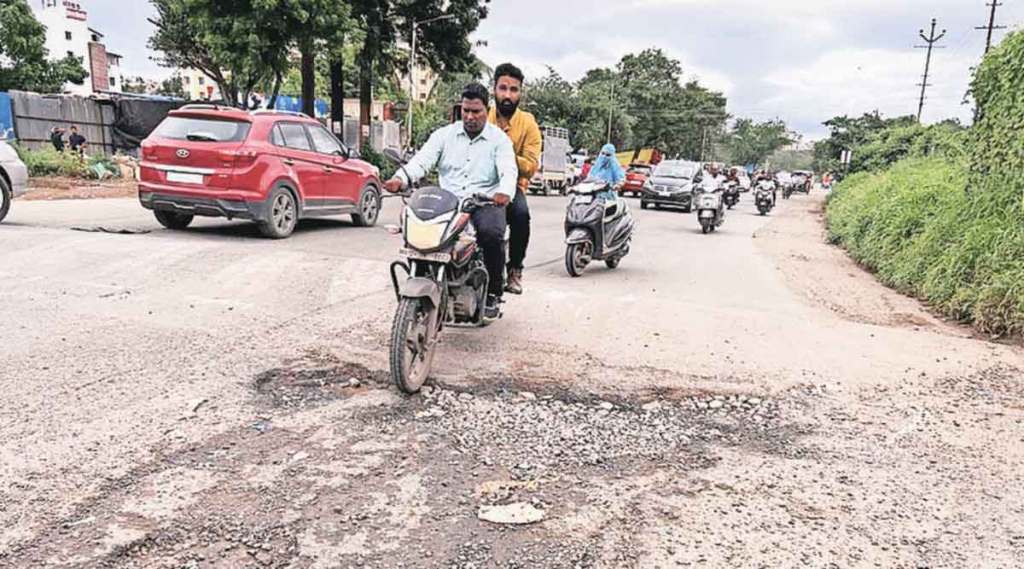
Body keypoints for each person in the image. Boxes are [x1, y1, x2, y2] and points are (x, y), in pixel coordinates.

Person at [383, 83, 516, 320]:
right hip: (449, 202)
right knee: (419, 236)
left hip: (482, 202)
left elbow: (508, 170)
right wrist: (400, 178)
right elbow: (422, 161)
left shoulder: (499, 140)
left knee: (492, 233)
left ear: (487, 110)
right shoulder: (444, 135)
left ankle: (494, 292)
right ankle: (424, 281)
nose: (470, 116)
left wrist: (503, 192)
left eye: (476, 111)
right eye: (465, 110)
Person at [488, 63, 541, 296]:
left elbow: (530, 167)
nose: (507, 95)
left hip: (512, 186)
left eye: (514, 89)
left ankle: (515, 269)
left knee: (521, 215)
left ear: (520, 93)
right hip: (476, 183)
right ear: (494, 89)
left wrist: (505, 151)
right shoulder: (480, 114)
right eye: (503, 88)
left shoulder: (528, 123)